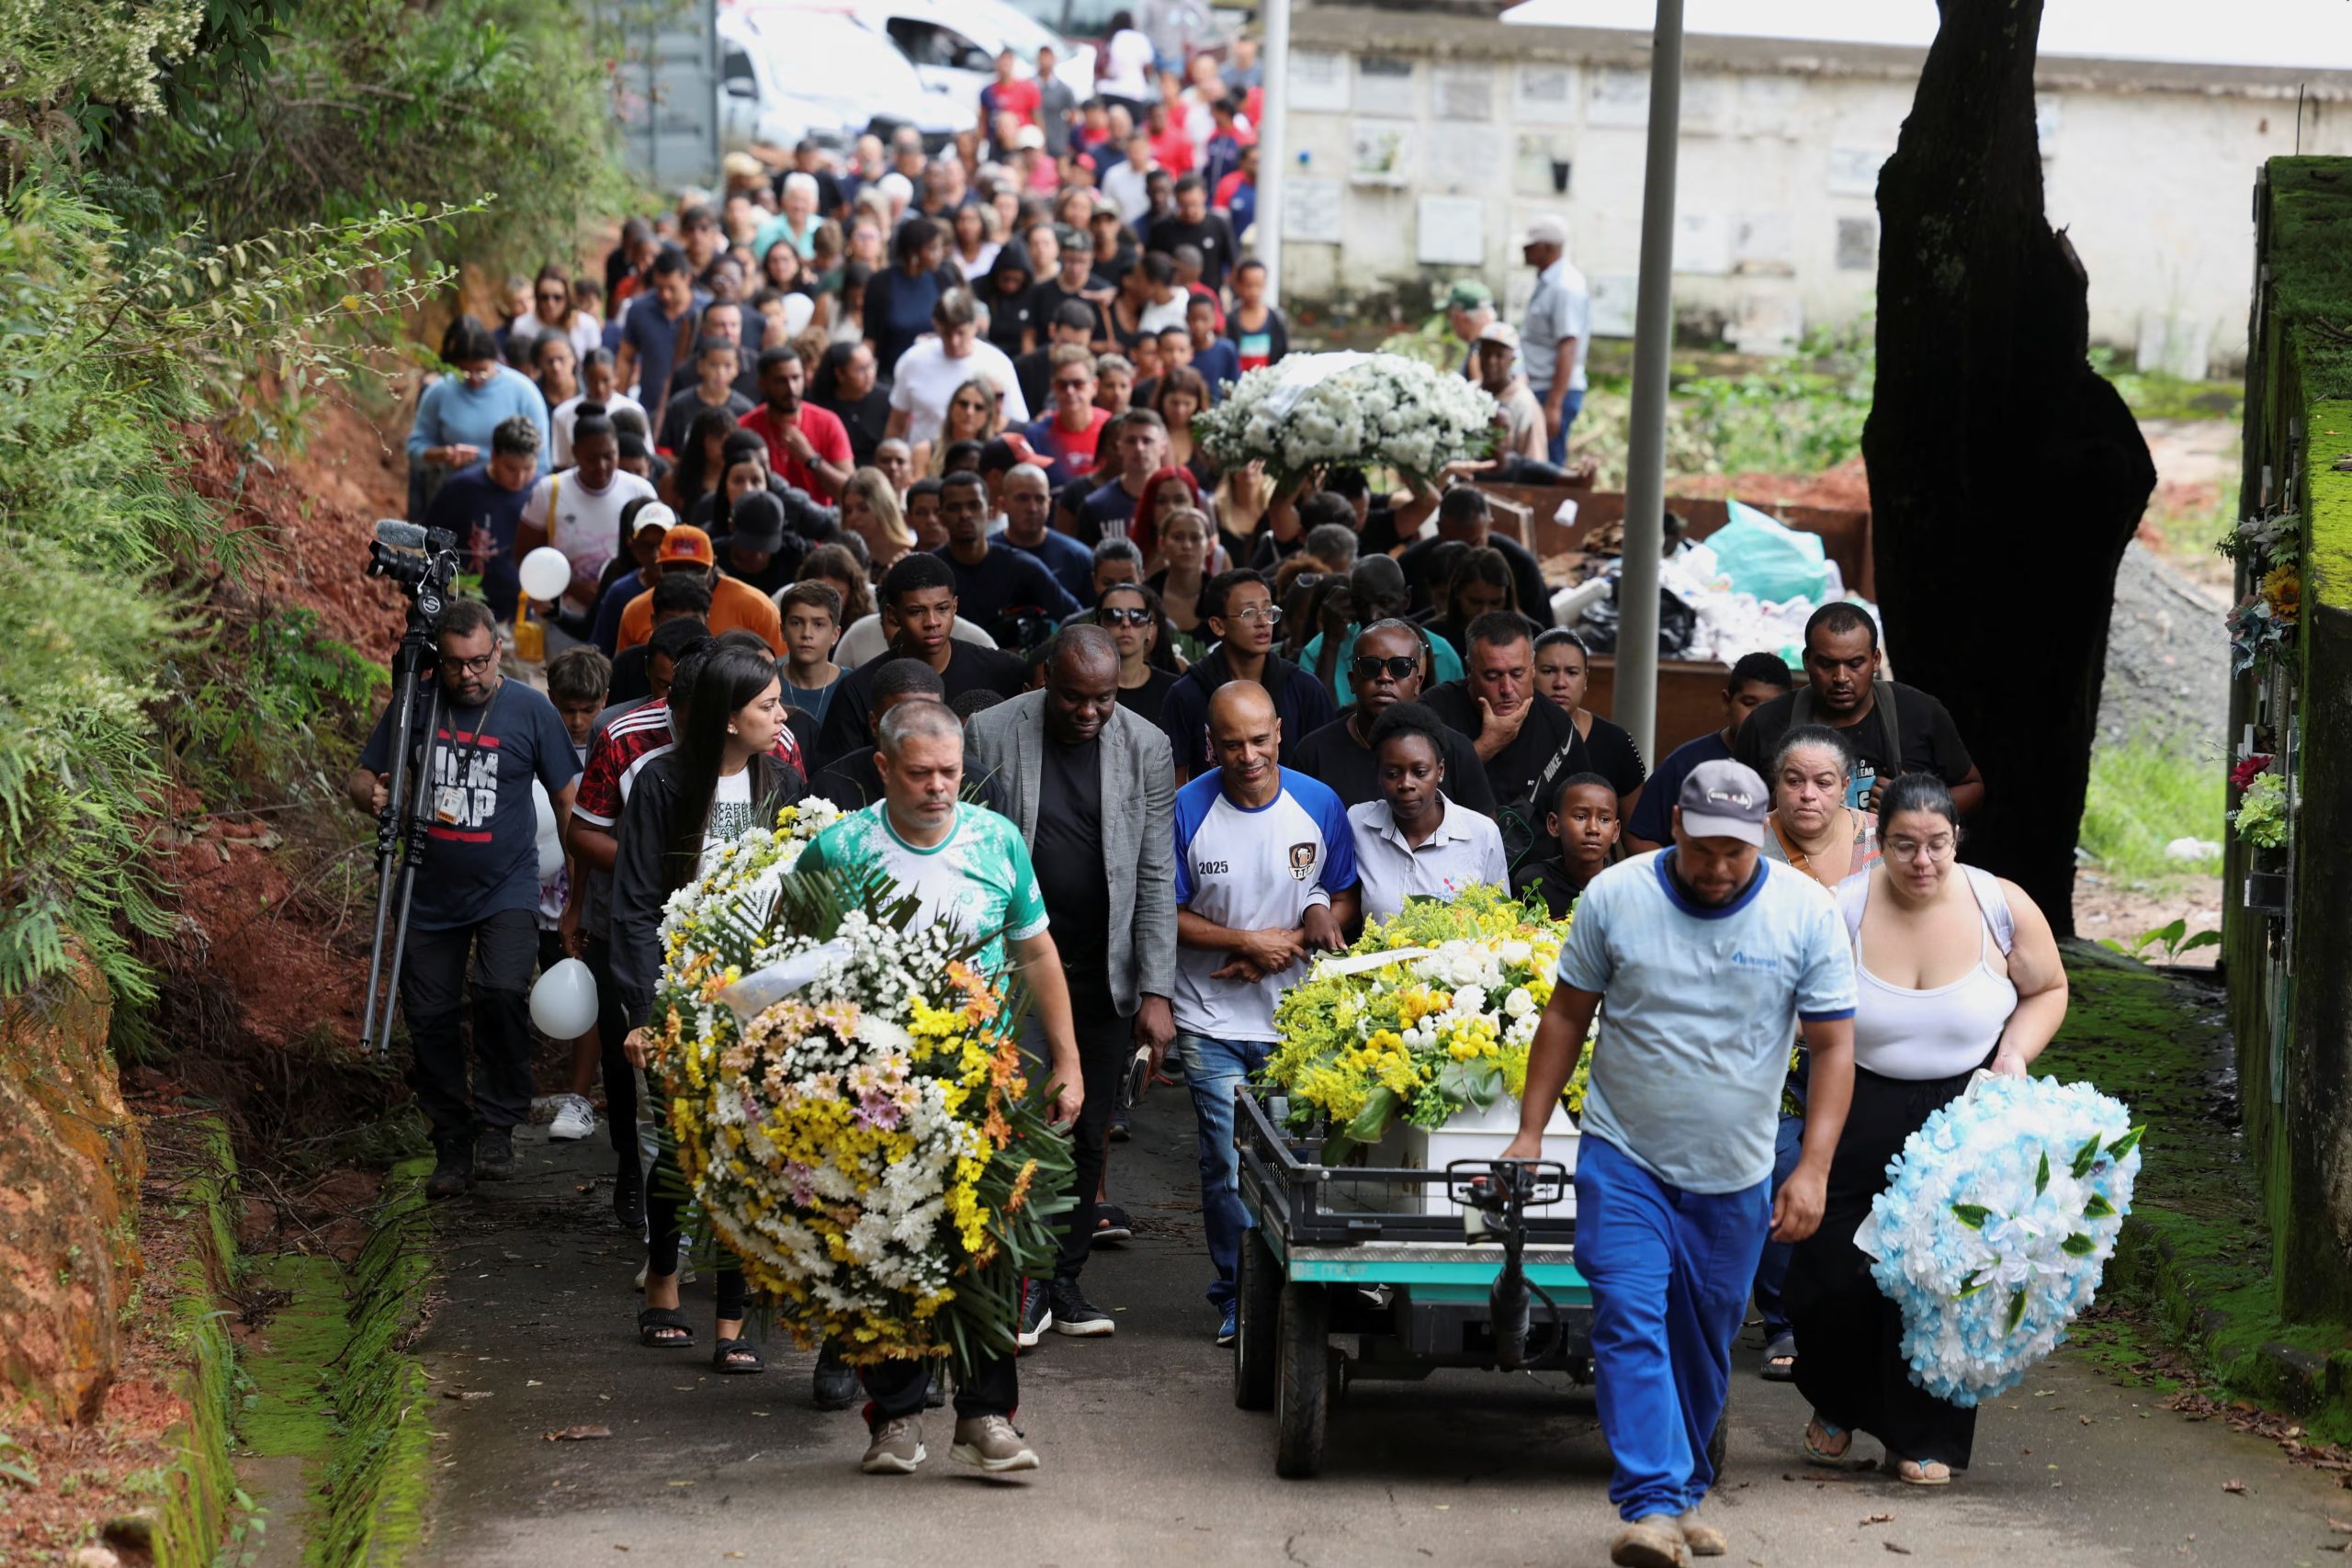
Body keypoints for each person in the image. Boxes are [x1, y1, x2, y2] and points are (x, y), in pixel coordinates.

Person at [1499, 760, 1858, 1567]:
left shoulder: (1806, 913)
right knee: (1628, 1317)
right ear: (1679, 830)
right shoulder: (1618, 896)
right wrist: (1531, 1128)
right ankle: (1651, 1504)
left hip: (1735, 1173)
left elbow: (1835, 1047)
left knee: (1704, 1338)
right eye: (1704, 849)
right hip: (1625, 1157)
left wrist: (1814, 1169)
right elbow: (1565, 1014)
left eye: (1736, 851)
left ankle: (1686, 1488)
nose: (1720, 867)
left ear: (1762, 833)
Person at [795, 699, 1083, 1475]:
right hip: (873, 1090)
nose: (937, 788)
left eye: (950, 772)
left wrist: (1067, 1059)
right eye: (919, 773)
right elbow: (792, 964)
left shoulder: (996, 840)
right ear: (882, 767)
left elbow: (1036, 953)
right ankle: (894, 1417)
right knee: (884, 1252)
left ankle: (987, 1416)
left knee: (990, 1250)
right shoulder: (838, 850)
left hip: (983, 1085)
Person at [1786, 774, 2067, 1488]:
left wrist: (2013, 1055)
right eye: (1905, 845)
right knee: (1831, 1272)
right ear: (1877, 846)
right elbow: (1792, 1006)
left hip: (1965, 1110)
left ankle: (1922, 1435)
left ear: (1956, 840)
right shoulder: (1839, 908)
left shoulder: (2000, 903)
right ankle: (1839, 1396)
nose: (1922, 861)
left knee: (1941, 1280)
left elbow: (2048, 988)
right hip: (1854, 1101)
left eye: (1936, 844)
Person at [965, 627, 1177, 1339]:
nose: (1089, 712)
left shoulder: (1145, 745)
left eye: (1105, 699)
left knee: (1088, 1133)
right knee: (1020, 1124)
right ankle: (1019, 1281)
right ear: (1044, 678)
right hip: (1015, 971)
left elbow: (1154, 873)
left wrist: (1157, 990)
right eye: (1075, 697)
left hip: (1103, 974)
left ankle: (1065, 1280)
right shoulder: (989, 732)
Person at [345, 599, 582, 1199]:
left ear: (498, 651)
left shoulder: (531, 710)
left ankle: (498, 1123)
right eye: (455, 664)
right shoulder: (416, 703)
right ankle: (451, 1141)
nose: (468, 674)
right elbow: (361, 775)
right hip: (427, 888)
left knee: (503, 993)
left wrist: (579, 888)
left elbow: (567, 799)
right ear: (440, 661)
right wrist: (373, 796)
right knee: (430, 1019)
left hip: (507, 884)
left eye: (479, 661)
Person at [613, 645, 805, 1373]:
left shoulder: (782, 782)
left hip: (756, 998)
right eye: (767, 706)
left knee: (748, 1149)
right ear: (729, 718)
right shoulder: (663, 784)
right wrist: (642, 1009)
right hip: (677, 993)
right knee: (678, 1148)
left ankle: (732, 1318)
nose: (782, 715)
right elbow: (633, 907)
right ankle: (664, 1278)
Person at [1172, 682, 1358, 1344]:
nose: (1247, 754)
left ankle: (1301, 1294)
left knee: (1302, 1164)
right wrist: (1244, 943)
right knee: (1226, 1163)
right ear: (1210, 743)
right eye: (1231, 743)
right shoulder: (1187, 809)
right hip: (1211, 1020)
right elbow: (1166, 914)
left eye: (1258, 738)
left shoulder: (1319, 802)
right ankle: (1238, 1298)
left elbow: (1343, 897)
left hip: (1299, 1023)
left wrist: (1290, 940)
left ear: (1279, 730)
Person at [1748, 725, 1883, 1382]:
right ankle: (1783, 1319)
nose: (1807, 794)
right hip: (1772, 1042)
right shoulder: (1746, 841)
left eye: (1824, 782)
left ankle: (1869, 1316)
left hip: (1866, 1041)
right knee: (1781, 1162)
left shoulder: (1882, 842)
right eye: (1793, 780)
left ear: (1848, 785)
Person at [1733, 604, 1985, 818]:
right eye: (1827, 664)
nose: (1841, 677)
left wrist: (1918, 805)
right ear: (1807, 661)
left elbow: (1972, 787)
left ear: (1875, 660)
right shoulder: (1764, 724)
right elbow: (1734, 812)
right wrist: (1780, 806)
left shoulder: (1919, 713)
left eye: (1855, 664)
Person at [816, 553, 1030, 761]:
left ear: (954, 606)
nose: (932, 622)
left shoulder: (1003, 671)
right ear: (893, 615)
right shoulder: (858, 688)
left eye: (942, 609)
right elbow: (838, 775)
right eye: (917, 611)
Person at [1287, 617, 1496, 815]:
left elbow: (1485, 841)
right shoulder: (1313, 753)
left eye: (1400, 667)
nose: (1384, 677)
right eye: (1370, 666)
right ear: (1352, 680)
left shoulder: (1455, 750)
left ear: (1417, 682)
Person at [1156, 570, 1336, 784]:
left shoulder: (1305, 689)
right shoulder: (1186, 695)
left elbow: (1326, 770)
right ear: (1218, 625)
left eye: (1268, 610)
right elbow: (1174, 784)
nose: (1263, 622)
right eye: (1248, 613)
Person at [1346, 702, 1509, 922]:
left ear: (1440, 771)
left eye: (1420, 772)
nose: (1406, 784)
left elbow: (1500, 922)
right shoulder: (1359, 824)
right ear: (1378, 774)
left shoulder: (1482, 834)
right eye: (1393, 773)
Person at [1422, 612, 1583, 825]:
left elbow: (1585, 804)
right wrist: (1486, 746)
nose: (1507, 689)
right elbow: (1415, 792)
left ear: (1533, 668)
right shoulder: (1436, 710)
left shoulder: (1556, 723)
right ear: (1469, 670)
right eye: (1493, 676)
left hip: (1538, 856)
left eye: (1517, 674)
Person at [1625, 652, 1793, 854]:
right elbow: (1642, 837)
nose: (1760, 716)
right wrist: (1674, 879)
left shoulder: (1798, 767)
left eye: (1771, 708)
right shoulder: (1686, 764)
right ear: (1726, 702)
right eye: (1749, 703)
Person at [514, 412, 660, 620]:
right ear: (575, 452)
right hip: (562, 617)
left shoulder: (640, 491)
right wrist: (571, 586)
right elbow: (525, 555)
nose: (601, 466)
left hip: (628, 614)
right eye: (591, 458)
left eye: (609, 456)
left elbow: (656, 551)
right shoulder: (548, 491)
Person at [408, 317, 550, 516]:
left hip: (511, 499)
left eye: (482, 372)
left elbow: (542, 462)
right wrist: (444, 454)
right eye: (465, 373)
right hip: (455, 496)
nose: (474, 379)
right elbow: (415, 449)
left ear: (496, 361)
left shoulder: (524, 391)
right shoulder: (439, 392)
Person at [935, 468, 1080, 637]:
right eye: (954, 507)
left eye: (974, 506)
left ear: (989, 512)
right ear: (941, 517)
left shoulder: (1024, 567)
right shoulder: (930, 572)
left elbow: (1078, 621)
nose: (965, 514)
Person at [423, 414, 542, 621]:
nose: (520, 478)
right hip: (466, 602)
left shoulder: (540, 492)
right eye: (511, 468)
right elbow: (431, 542)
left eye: (528, 469)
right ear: (495, 456)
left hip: (521, 609)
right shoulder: (462, 488)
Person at [886, 289, 1029, 453]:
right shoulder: (913, 361)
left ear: (975, 326)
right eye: (947, 334)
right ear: (935, 325)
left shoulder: (998, 364)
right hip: (924, 461)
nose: (954, 342)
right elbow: (897, 424)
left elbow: (1016, 424)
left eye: (961, 333)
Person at [1397, 486, 1553, 632]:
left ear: (1490, 527)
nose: (1464, 554)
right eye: (1453, 542)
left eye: (1474, 543)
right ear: (1439, 529)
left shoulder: (1521, 564)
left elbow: (1544, 632)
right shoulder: (1411, 564)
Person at [1531, 629, 1648, 819]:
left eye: (1572, 672)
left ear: (1585, 678)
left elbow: (1637, 833)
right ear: (1530, 674)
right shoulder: (1510, 735)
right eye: (1548, 671)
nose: (1560, 683)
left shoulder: (1616, 742)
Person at [615, 524, 784, 655]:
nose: (685, 576)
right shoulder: (635, 611)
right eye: (674, 568)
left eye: (695, 569)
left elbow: (783, 670)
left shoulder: (757, 608)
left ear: (714, 567)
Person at [807, 658, 947, 809]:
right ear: (874, 725)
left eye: (929, 723)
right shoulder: (829, 789)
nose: (917, 735)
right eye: (903, 723)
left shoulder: (972, 781)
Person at [1518, 214, 1591, 466]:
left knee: (1547, 466)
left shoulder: (1564, 286)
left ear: (1547, 248)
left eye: (1530, 245)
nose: (1524, 250)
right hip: (1540, 387)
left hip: (1552, 390)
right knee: (1536, 461)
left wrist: (1554, 406)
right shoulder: (1549, 281)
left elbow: (1568, 346)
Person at [737, 345, 852, 502]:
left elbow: (851, 493)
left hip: (819, 522)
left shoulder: (828, 422)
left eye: (796, 378)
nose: (791, 388)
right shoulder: (745, 426)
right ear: (762, 384)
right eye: (781, 381)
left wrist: (812, 460)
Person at [1511, 771, 1623, 918]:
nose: (1593, 829)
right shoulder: (1533, 883)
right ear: (1554, 824)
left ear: (1615, 831)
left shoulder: (1626, 887)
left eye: (1604, 819)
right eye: (1581, 817)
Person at [614, 249, 702, 416]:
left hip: (694, 410)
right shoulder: (639, 310)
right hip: (651, 407)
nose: (665, 295)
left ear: (687, 279)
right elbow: (625, 358)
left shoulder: (705, 312)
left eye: (672, 288)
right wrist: (620, 401)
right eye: (659, 288)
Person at [992, 462, 1094, 606]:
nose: (1032, 508)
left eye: (1039, 499)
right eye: (1022, 498)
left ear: (1049, 503)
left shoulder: (1078, 557)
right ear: (1003, 504)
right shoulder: (986, 555)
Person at [1069, 411, 1170, 547]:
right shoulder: (1095, 506)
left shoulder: (1183, 498)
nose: (1139, 448)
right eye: (1131, 441)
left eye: (1147, 441)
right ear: (1119, 447)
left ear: (1163, 447)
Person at [1023, 345, 1112, 486]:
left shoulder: (1112, 428)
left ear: (1094, 386)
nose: (1070, 391)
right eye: (1062, 385)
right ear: (1053, 388)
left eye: (1078, 384)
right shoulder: (1035, 436)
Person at [1097, 581, 1182, 724]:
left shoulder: (1174, 690)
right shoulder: (1084, 688)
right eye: (1113, 615)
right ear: (1097, 626)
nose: (1126, 623)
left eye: (1137, 615)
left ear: (1149, 629)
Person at [659, 336, 752, 454]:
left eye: (727, 366)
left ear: (737, 369)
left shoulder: (745, 409)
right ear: (700, 366)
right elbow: (663, 448)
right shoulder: (679, 405)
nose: (720, 373)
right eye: (713, 365)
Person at [808, 341, 891, 468]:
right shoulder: (817, 405)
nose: (869, 374)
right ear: (840, 374)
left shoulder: (887, 399)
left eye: (871, 366)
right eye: (861, 369)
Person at [709, 490, 802, 598]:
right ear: (731, 526)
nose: (758, 555)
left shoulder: (793, 557)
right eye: (749, 546)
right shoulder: (712, 558)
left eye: (766, 547)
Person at [775, 581, 844, 725]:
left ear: (835, 634)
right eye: (796, 623)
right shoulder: (765, 684)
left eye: (818, 624)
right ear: (782, 631)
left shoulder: (850, 687)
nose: (807, 634)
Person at [836, 465, 918, 569]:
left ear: (883, 508)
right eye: (848, 510)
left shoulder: (912, 554)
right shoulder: (841, 558)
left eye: (863, 508)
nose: (853, 517)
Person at [1225, 258, 1286, 372]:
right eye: (1248, 285)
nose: (1253, 291)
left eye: (1258, 285)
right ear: (1238, 285)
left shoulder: (1275, 319)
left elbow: (1282, 357)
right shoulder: (1231, 320)